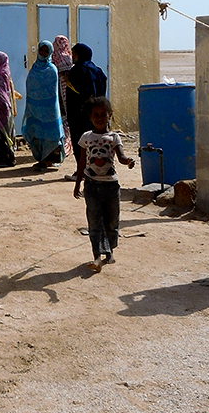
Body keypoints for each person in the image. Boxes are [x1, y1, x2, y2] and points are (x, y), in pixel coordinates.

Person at [72, 97, 135, 272]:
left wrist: (128, 161)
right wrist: (78, 184)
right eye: (95, 115)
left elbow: (121, 157)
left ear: (109, 116)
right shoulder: (86, 137)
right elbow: (82, 163)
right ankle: (97, 256)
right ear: (90, 117)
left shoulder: (114, 137)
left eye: (103, 114)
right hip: (91, 186)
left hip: (111, 188)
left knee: (112, 221)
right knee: (94, 221)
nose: (99, 118)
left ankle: (110, 252)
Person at [65, 43, 107, 180]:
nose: (72, 57)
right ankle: (95, 169)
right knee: (95, 141)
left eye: (74, 54)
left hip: (79, 113)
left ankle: (82, 171)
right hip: (95, 113)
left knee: (81, 142)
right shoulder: (97, 70)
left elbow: (75, 92)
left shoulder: (77, 70)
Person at [22, 41, 66, 170]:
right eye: (41, 50)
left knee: (50, 135)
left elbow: (52, 91)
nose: (43, 53)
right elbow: (30, 86)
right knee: (36, 133)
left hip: (49, 109)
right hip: (34, 107)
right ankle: (43, 158)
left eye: (46, 51)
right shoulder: (34, 68)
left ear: (50, 53)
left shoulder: (52, 69)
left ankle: (47, 160)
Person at [52, 35, 75, 158]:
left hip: (57, 92)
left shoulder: (53, 57)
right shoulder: (69, 58)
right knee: (68, 118)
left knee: (60, 117)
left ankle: (61, 145)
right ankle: (67, 145)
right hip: (68, 92)